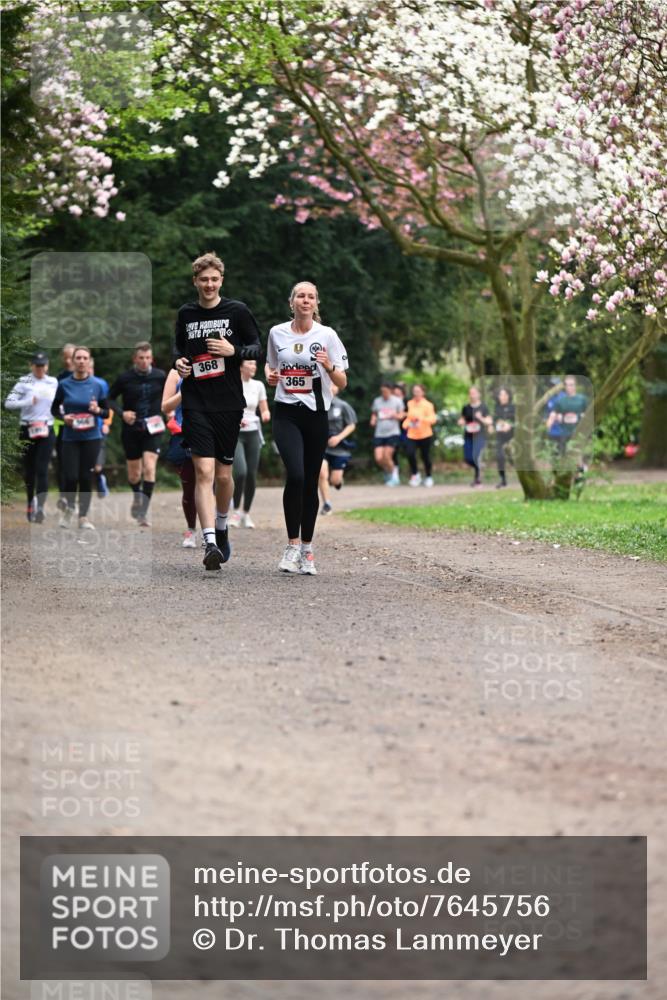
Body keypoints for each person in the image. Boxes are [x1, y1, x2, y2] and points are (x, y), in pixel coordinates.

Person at [174, 251, 262, 571]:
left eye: (214, 279)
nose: (209, 284)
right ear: (195, 281)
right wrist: (179, 363)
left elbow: (256, 347)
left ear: (221, 280)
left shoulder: (236, 311)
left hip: (228, 403)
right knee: (204, 473)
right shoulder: (186, 314)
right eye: (203, 279)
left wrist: (233, 351)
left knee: (224, 477)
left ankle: (222, 527)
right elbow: (178, 349)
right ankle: (209, 540)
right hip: (195, 401)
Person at [266, 280, 348, 574]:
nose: (305, 300)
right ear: (292, 302)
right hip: (286, 413)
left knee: (311, 480)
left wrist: (327, 366)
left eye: (310, 296)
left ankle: (307, 550)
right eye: (300, 296)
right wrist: (271, 376)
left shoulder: (327, 335)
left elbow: (342, 382)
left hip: (316, 415)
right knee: (296, 475)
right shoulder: (277, 332)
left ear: (316, 303)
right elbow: (270, 365)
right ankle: (291, 546)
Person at [108, 342, 166, 528]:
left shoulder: (160, 376)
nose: (144, 361)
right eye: (141, 358)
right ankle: (136, 495)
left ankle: (143, 511)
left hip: (153, 428)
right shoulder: (125, 378)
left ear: (152, 359)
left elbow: (172, 393)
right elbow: (108, 399)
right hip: (131, 429)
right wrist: (122, 413)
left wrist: (169, 411)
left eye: (148, 358)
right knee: (134, 474)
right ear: (135, 359)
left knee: (149, 467)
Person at [50, 346, 109, 529]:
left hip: (91, 437)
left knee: (85, 476)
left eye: (85, 358)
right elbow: (53, 409)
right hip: (70, 437)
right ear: (73, 361)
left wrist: (97, 410)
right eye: (79, 358)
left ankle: (83, 517)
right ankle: (69, 510)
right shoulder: (64, 385)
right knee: (70, 476)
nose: (82, 361)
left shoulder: (98, 385)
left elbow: (106, 412)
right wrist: (63, 417)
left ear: (89, 361)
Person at [4, 351, 58, 522]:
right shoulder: (24, 381)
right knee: (30, 471)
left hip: (46, 428)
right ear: (31, 366)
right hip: (27, 428)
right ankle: (30, 503)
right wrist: (27, 401)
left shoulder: (53, 382)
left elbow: (60, 402)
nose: (40, 369)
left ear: (47, 366)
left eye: (43, 366)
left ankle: (40, 507)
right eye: (37, 365)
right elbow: (8, 403)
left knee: (42, 470)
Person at [230, 359, 270, 528]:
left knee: (252, 475)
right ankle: (235, 510)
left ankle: (246, 513)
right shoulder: (231, 383)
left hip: (253, 432)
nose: (254, 367)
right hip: (235, 433)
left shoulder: (258, 385)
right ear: (240, 366)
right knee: (240, 472)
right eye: (250, 364)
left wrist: (266, 414)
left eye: (255, 364)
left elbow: (264, 408)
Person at [162, 367, 198, 547]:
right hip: (183, 434)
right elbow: (166, 406)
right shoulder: (175, 373)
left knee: (211, 484)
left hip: (210, 432)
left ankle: (213, 533)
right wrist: (185, 391)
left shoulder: (214, 365)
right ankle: (191, 529)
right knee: (190, 487)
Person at [319, 384, 357, 514]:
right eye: (328, 384)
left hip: (339, 447)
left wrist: (339, 438)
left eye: (334, 385)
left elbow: (351, 425)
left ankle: (338, 481)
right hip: (321, 446)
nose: (331, 387)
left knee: (335, 480)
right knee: (322, 474)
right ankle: (327, 504)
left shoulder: (343, 405)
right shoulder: (317, 403)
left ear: (338, 388)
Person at [54, 343, 76, 511]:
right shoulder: (58, 379)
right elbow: (53, 406)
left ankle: (73, 498)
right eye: (66, 357)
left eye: (72, 357)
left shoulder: (86, 378)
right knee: (63, 464)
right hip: (62, 427)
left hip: (83, 429)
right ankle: (64, 497)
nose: (69, 361)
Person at [403, 384, 437, 487]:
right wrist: (405, 424)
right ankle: (415, 474)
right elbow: (408, 417)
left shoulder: (428, 405)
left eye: (418, 391)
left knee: (425, 456)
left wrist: (421, 418)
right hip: (412, 434)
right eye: (414, 391)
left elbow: (433, 419)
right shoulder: (410, 404)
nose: (416, 393)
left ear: (423, 392)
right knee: (410, 453)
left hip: (425, 434)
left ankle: (428, 476)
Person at [370, 381, 404, 486]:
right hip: (379, 433)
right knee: (378, 458)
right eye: (382, 391)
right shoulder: (377, 401)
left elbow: (402, 415)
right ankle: (388, 472)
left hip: (393, 432)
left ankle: (394, 477)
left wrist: (395, 415)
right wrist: (373, 420)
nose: (384, 393)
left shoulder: (397, 401)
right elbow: (374, 414)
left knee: (387, 456)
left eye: (385, 391)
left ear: (390, 391)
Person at [546, 375, 589, 456]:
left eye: (571, 385)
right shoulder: (555, 400)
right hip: (558, 433)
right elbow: (551, 415)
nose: (569, 387)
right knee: (558, 455)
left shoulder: (578, 399)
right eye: (567, 385)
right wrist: (548, 426)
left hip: (573, 431)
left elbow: (585, 415)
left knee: (574, 455)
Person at [458, 385, 492, 486]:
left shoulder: (483, 407)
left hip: (480, 436)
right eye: (470, 393)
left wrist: (480, 417)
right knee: (468, 458)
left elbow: (489, 421)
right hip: (468, 435)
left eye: (474, 393)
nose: (472, 395)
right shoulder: (466, 407)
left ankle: (477, 480)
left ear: (479, 394)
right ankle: (480, 467)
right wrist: (461, 422)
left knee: (476, 457)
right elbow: (463, 419)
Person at [89, 357, 112, 499]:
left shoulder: (101, 384)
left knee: (97, 464)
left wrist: (106, 424)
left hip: (99, 426)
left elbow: (108, 406)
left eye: (90, 368)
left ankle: (100, 479)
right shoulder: (73, 383)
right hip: (81, 428)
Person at [493, 386, 515, 489]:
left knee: (513, 457)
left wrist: (510, 426)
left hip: (512, 437)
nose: (503, 397)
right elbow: (494, 422)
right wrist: (497, 425)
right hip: (500, 436)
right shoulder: (496, 408)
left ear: (508, 396)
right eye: (501, 395)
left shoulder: (513, 407)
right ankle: (503, 479)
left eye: (505, 395)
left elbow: (519, 421)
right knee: (499, 456)